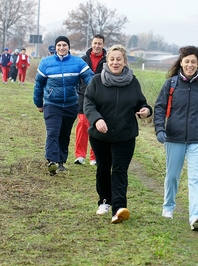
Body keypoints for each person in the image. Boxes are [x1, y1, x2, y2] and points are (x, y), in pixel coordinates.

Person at [153, 45, 198, 231]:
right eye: (187, 61)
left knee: (195, 178)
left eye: (194, 62)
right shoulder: (171, 84)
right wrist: (159, 129)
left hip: (197, 139)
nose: (190, 65)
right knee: (173, 176)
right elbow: (159, 108)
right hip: (174, 137)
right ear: (181, 62)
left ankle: (196, 216)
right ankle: (168, 207)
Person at [84, 44, 152, 224]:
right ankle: (104, 201)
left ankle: (119, 208)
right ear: (107, 61)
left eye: (119, 59)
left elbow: (141, 103)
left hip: (125, 135)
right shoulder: (97, 81)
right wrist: (97, 119)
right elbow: (88, 103)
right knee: (103, 168)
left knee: (120, 170)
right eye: (112, 59)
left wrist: (146, 110)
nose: (115, 62)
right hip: (100, 135)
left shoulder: (132, 81)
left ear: (125, 62)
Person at [33, 36, 95, 176]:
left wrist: (96, 89)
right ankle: (52, 161)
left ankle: (61, 161)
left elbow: (89, 77)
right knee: (53, 132)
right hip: (52, 104)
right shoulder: (46, 63)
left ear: (68, 47)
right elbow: (39, 85)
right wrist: (38, 102)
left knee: (64, 134)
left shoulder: (77, 62)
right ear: (55, 47)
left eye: (64, 45)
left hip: (71, 105)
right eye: (59, 45)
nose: (61, 48)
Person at [74, 34, 107, 166]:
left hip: (101, 97)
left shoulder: (107, 61)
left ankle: (95, 157)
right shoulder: (82, 60)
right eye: (95, 43)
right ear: (91, 44)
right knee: (82, 124)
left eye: (99, 43)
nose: (97, 46)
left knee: (97, 125)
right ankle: (80, 155)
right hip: (83, 95)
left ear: (103, 45)